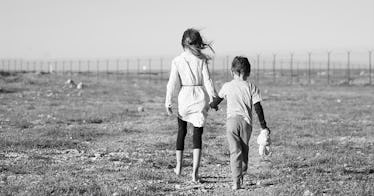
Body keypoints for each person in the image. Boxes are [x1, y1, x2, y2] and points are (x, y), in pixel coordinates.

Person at [210, 56, 271, 190]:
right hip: (245, 123)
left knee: (234, 151)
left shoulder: (227, 86)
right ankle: (242, 173)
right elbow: (258, 108)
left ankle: (235, 181)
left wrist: (212, 105)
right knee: (244, 150)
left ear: (232, 71)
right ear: (248, 72)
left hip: (231, 123)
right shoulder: (251, 87)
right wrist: (264, 127)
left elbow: (216, 100)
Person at [165, 28, 217, 183]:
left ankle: (179, 166)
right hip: (199, 96)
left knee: (181, 131)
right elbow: (208, 81)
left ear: (183, 43)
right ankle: (195, 173)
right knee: (197, 135)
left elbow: (172, 83)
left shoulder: (177, 60)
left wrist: (168, 101)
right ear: (198, 43)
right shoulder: (201, 60)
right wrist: (213, 98)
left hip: (184, 97)